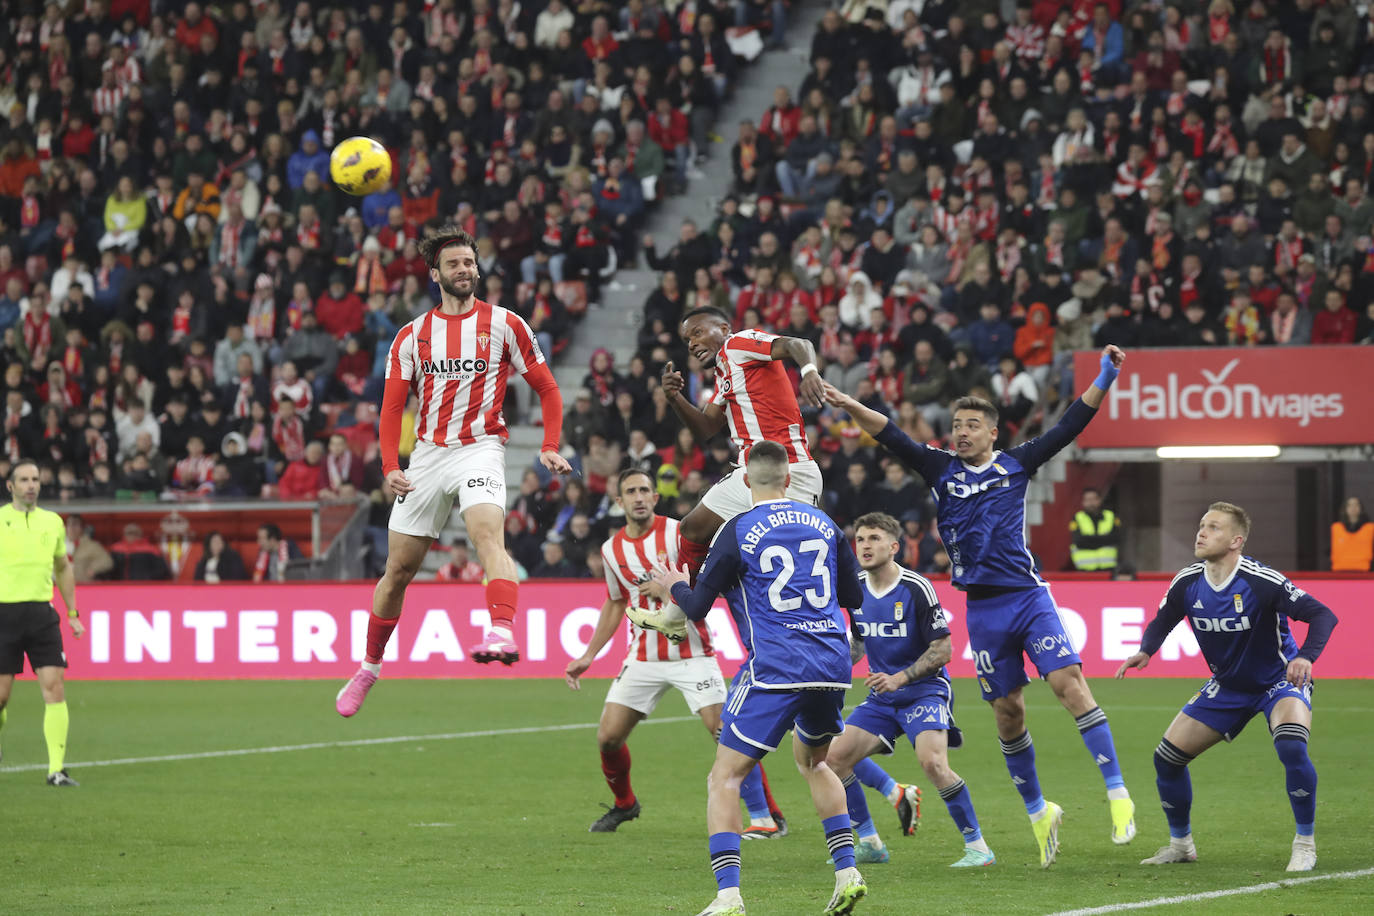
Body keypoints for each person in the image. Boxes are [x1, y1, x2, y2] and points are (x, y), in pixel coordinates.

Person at [822, 345, 1135, 868]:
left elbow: (1071, 423)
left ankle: (1118, 793)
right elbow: (890, 434)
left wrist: (1105, 375)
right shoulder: (940, 469)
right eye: (957, 424)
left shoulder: (1017, 463)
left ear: (993, 432)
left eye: (972, 425)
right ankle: (1039, 812)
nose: (961, 431)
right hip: (984, 611)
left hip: (1028, 597)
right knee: (1007, 714)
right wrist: (848, 404)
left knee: (1068, 685)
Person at [336, 226, 571, 717]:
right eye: (454, 264)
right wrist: (389, 465)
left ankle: (501, 631)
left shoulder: (506, 324)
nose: (464, 270)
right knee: (397, 571)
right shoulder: (412, 335)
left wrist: (549, 445)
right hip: (425, 456)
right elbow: (389, 409)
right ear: (436, 274)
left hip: (480, 449)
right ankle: (369, 668)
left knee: (488, 535)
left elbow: (548, 389)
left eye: (469, 263)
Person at [645, 441, 868, 916]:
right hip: (832, 663)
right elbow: (853, 596)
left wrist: (672, 586)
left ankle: (728, 896)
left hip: (777, 665)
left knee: (724, 777)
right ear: (789, 479)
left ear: (745, 482)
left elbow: (698, 608)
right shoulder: (826, 524)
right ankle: (848, 873)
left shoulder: (737, 529)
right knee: (815, 764)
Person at [1116, 502, 1339, 872]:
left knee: (1290, 745)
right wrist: (1146, 650)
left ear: (1236, 540)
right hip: (1229, 686)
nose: (1202, 533)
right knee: (1166, 759)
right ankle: (1181, 845)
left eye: (1214, 528)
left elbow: (1322, 615)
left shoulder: (1260, 580)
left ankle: (1304, 843)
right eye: (1202, 525)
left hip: (1279, 682)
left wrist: (1306, 657)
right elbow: (1165, 617)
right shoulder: (1188, 581)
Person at [564, 468, 785, 837]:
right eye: (630, 491)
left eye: (644, 490)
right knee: (608, 737)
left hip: (692, 652)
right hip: (643, 658)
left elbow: (704, 582)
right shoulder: (610, 550)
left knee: (725, 733)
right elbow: (616, 602)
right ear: (619, 502)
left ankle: (770, 814)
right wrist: (589, 655)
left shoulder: (680, 533)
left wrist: (669, 589)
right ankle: (625, 804)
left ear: (655, 497)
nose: (638, 497)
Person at [826, 513, 995, 868]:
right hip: (882, 696)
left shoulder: (916, 587)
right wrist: (830, 672)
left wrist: (900, 678)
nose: (865, 545)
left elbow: (943, 650)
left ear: (893, 546)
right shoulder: (854, 588)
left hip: (924, 690)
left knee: (932, 762)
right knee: (834, 759)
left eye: (873, 538)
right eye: (860, 539)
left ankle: (978, 847)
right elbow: (857, 644)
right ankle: (870, 842)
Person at [660, 307, 826, 582]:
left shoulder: (739, 343)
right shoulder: (724, 371)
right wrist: (675, 398)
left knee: (795, 568)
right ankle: (680, 611)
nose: (692, 344)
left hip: (789, 472)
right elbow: (706, 428)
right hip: (749, 474)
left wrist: (809, 371)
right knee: (693, 528)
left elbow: (799, 344)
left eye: (698, 332)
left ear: (724, 329)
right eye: (687, 340)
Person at [0, 460, 83, 785]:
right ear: (11, 486)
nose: (31, 485)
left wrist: (72, 613)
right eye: (24, 480)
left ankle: (56, 769)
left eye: (35, 479)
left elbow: (62, 567)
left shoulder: (53, 522)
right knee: (2, 697)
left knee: (54, 688)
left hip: (40, 615)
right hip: (3, 614)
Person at [1069, 487, 1123, 572]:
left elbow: (1116, 538)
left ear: (1099, 500)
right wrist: (1104, 539)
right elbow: (1079, 541)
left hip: (1108, 568)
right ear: (1083, 502)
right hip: (1084, 569)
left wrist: (1089, 540)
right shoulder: (1077, 518)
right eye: (1087, 500)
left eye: (1093, 499)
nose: (1091, 503)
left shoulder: (1111, 516)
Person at [1329, 496, 1373, 571]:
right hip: (1339, 569)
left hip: (1365, 569)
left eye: (1356, 505)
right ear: (1345, 508)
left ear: (1361, 508)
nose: (1353, 508)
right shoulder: (1336, 528)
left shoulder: (1370, 528)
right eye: (1350, 505)